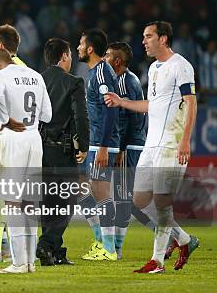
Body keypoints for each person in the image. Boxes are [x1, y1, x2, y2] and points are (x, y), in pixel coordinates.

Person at [105, 21, 200, 273]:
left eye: (148, 36)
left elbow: (191, 103)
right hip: (151, 144)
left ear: (164, 39)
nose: (144, 41)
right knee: (139, 199)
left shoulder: (181, 66)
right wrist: (122, 102)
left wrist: (185, 140)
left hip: (171, 143)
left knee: (161, 201)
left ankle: (157, 260)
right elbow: (151, 105)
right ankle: (184, 240)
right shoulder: (155, 68)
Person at [0, 49, 52, 274]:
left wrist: (5, 119)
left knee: (12, 202)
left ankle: (18, 263)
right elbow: (47, 115)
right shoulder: (36, 75)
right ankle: (30, 263)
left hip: (12, 138)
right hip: (34, 139)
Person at [35, 38, 89, 266]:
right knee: (66, 202)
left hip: (39, 149)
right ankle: (46, 245)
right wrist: (83, 145)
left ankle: (55, 253)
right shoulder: (74, 82)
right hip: (64, 151)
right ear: (65, 56)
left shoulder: (37, 80)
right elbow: (80, 116)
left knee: (47, 202)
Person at [104, 42, 158, 260]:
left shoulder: (126, 81)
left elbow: (134, 119)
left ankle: (116, 249)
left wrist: (121, 149)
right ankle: (171, 235)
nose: (104, 58)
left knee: (124, 198)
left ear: (117, 61)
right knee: (128, 200)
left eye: (107, 55)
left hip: (130, 145)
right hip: (128, 144)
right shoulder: (121, 79)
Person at [76, 28, 120, 261]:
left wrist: (103, 146)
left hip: (103, 144)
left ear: (90, 48)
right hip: (94, 143)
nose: (78, 48)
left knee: (102, 192)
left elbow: (110, 107)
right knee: (82, 188)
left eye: (81, 44)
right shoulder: (94, 73)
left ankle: (110, 249)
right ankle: (99, 239)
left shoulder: (102, 71)